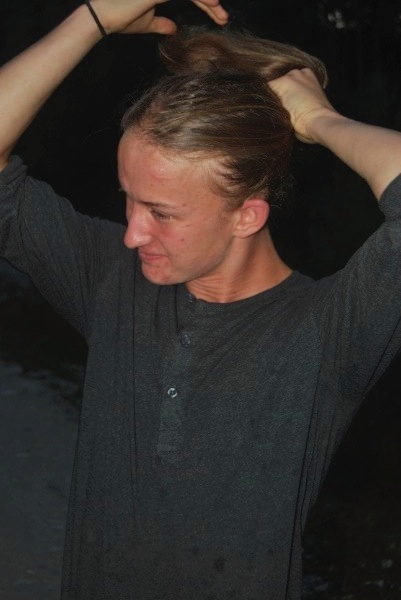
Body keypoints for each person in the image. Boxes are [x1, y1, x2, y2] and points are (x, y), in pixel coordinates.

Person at [1, 0, 401, 598]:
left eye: (161, 212)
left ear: (247, 216)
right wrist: (93, 17)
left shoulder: (329, 331)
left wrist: (317, 119)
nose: (133, 233)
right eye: (129, 198)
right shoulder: (111, 278)